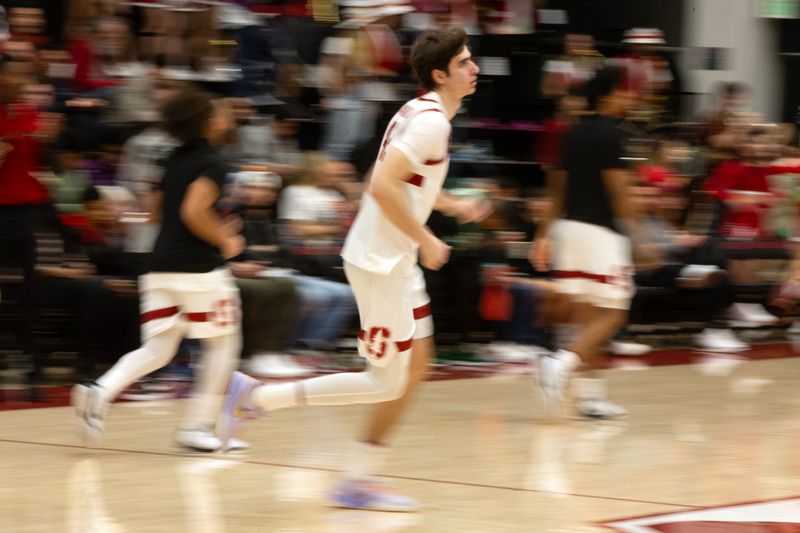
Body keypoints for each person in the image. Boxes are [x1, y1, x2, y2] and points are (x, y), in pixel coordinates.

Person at [217, 27, 486, 511]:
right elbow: (379, 186)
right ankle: (257, 398)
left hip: (394, 258)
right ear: (440, 74)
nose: (475, 68)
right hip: (383, 261)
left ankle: (359, 477)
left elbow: (404, 182)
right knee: (385, 381)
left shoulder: (421, 110)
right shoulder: (432, 123)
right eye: (465, 62)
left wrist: (451, 206)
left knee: (416, 368)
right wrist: (426, 237)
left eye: (472, 60)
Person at [72, 88, 247, 453]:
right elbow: (193, 211)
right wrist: (224, 239)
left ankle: (98, 391)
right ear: (210, 122)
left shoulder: (171, 158)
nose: (228, 115)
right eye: (222, 111)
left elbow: (153, 211)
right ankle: (196, 427)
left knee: (159, 348)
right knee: (223, 344)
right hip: (198, 270)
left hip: (158, 266)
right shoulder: (214, 161)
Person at [531, 65, 635, 420]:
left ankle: (592, 397)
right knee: (615, 312)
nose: (629, 97)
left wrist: (543, 234)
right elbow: (618, 191)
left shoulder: (570, 133)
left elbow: (556, 190)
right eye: (624, 90)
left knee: (590, 318)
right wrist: (641, 236)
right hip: (600, 234)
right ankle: (560, 364)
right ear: (609, 94)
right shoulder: (612, 134)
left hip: (569, 230)